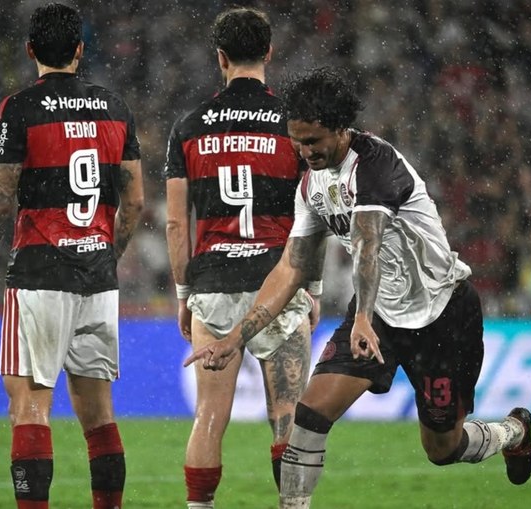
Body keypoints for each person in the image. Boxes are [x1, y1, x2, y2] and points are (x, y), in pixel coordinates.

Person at [185, 67, 531, 508]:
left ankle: (513, 432)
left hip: (443, 314)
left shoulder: (375, 164)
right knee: (308, 418)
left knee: (442, 449)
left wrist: (364, 318)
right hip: (376, 317)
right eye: (297, 141)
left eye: (313, 141)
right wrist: (235, 339)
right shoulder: (311, 183)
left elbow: (368, 244)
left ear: (340, 128)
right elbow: (291, 268)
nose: (305, 151)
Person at [0, 4, 144, 509]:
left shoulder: (19, 108)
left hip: (40, 274)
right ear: (81, 50)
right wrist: (106, 253)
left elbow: (0, 196)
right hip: (97, 278)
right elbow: (135, 202)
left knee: (29, 408)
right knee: (100, 417)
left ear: (30, 51)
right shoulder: (115, 106)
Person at [163, 7, 316, 508]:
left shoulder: (189, 126)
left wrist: (184, 293)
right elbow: (312, 210)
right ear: (269, 53)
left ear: (220, 59)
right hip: (279, 279)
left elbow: (175, 222)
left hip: (213, 282)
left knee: (210, 417)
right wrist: (311, 288)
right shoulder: (294, 122)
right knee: (288, 414)